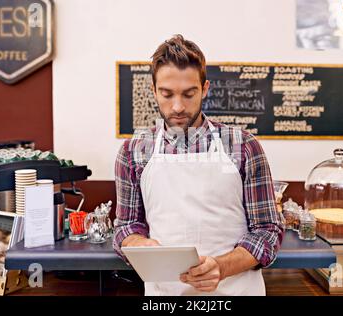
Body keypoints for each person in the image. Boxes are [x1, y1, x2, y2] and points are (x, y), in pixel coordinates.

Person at [113, 34, 284, 296]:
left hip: (235, 291)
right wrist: (137, 243)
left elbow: (268, 231)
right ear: (153, 91)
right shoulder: (134, 151)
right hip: (165, 295)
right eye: (167, 94)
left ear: (204, 89)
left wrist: (222, 268)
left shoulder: (243, 146)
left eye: (189, 94)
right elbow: (126, 226)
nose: (178, 106)